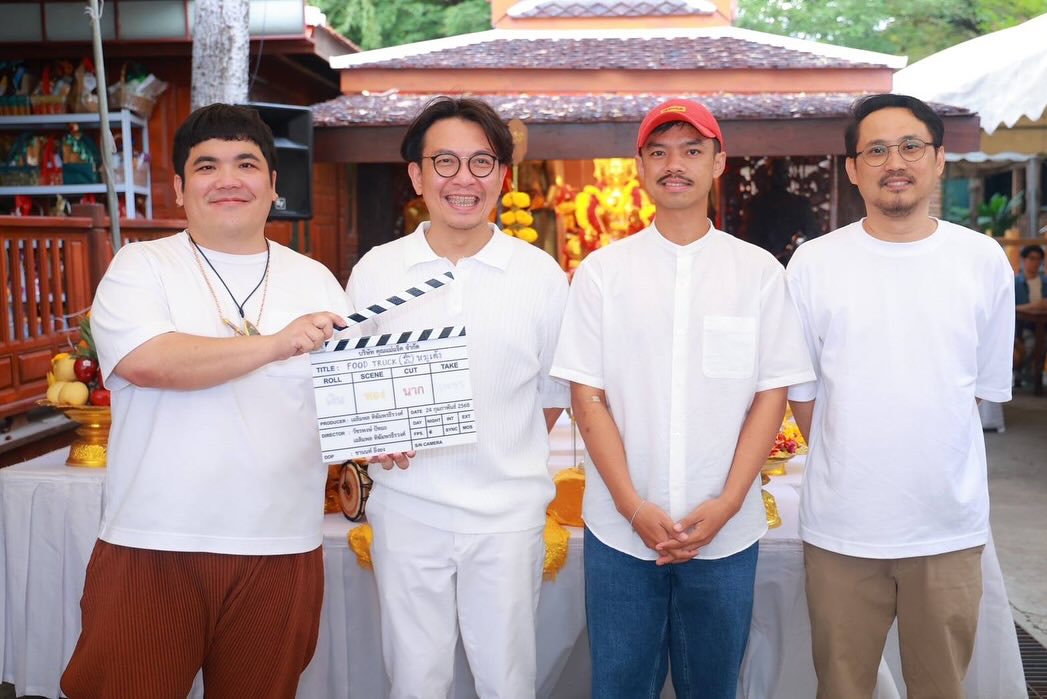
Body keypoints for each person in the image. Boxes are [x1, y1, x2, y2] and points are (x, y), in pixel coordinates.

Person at [60, 104, 349, 699]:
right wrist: (276, 344)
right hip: (154, 539)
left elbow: (343, 399)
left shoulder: (316, 279)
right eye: (207, 166)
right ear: (179, 187)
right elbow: (149, 360)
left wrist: (383, 435)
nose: (228, 179)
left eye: (247, 164)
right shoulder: (141, 265)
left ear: (273, 184)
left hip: (281, 543)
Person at [551, 99, 815, 699]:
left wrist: (727, 504)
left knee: (714, 687)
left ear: (718, 163)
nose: (676, 164)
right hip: (620, 533)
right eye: (660, 152)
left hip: (725, 530)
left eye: (692, 150)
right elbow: (586, 397)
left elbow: (770, 395)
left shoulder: (758, 273)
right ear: (640, 166)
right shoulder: (602, 273)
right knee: (619, 686)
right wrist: (632, 507)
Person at [786, 93, 1015, 699]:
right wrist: (852, 460)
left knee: (941, 687)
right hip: (841, 529)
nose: (895, 162)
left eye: (911, 146)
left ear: (938, 159)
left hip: (945, 529)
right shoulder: (813, 264)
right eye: (877, 150)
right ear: (852, 168)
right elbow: (803, 393)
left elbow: (978, 391)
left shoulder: (982, 260)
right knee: (841, 687)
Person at [344, 96, 569, 698]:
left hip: (508, 517)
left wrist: (498, 452)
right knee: (414, 681)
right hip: (406, 511)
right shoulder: (376, 271)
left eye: (480, 162)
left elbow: (550, 395)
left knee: (507, 682)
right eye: (444, 162)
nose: (463, 179)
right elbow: (357, 385)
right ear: (417, 176)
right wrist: (375, 434)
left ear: (502, 175)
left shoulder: (541, 276)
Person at [741, 158, 822, 263]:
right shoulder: (799, 203)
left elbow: (812, 236)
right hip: (772, 260)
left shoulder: (755, 204)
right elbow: (813, 235)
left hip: (772, 260)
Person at [1015, 244, 1047, 386]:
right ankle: (1026, 374)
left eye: (1039, 259)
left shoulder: (1045, 282)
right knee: (1032, 343)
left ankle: (1032, 375)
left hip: (1044, 325)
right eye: (1032, 258)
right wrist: (1033, 306)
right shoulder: (1014, 283)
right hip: (1022, 327)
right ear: (1023, 259)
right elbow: (1010, 308)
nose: (1036, 262)